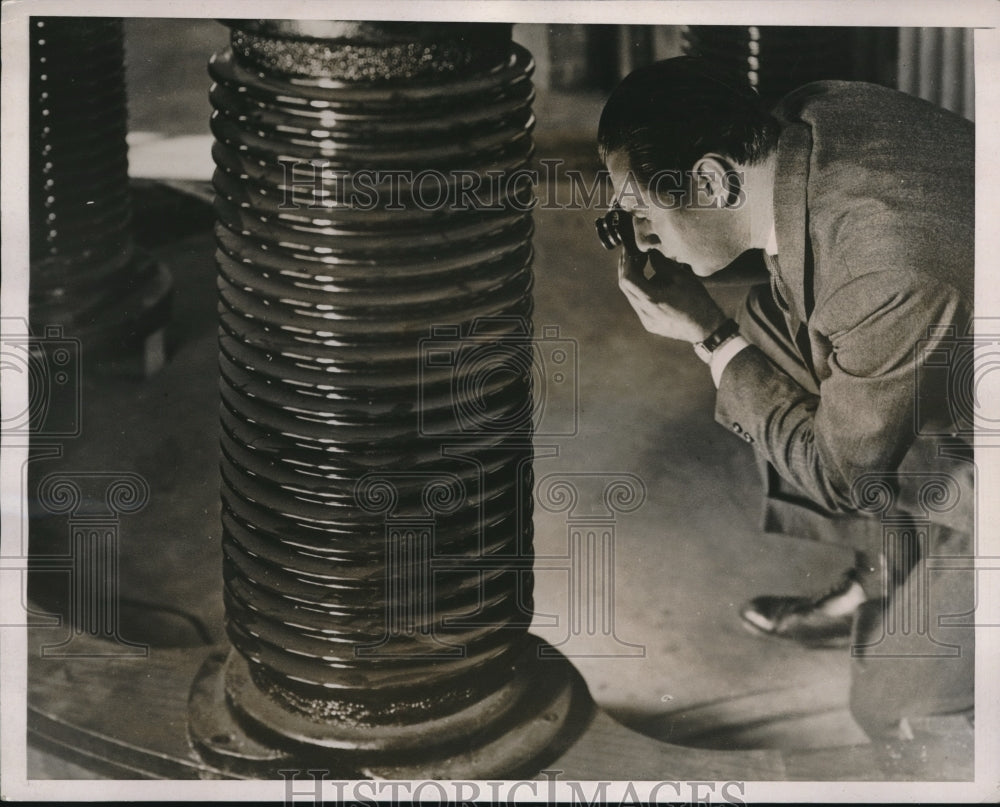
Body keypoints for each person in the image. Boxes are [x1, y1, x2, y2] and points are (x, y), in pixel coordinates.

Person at [597, 56, 975, 739]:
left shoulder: (882, 273)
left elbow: (840, 477)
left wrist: (710, 337)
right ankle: (890, 565)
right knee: (771, 343)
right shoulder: (811, 112)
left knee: (892, 702)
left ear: (710, 179)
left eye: (642, 211)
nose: (643, 235)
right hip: (964, 356)